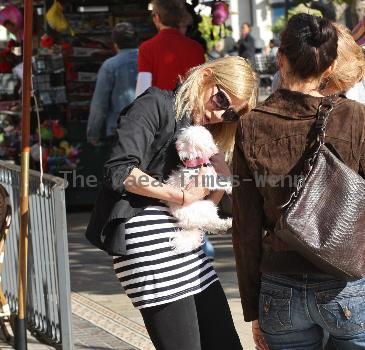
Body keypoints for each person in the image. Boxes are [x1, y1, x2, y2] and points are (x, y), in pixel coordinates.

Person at [85, 56, 258, 350]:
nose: (220, 115)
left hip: (187, 244)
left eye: (231, 115)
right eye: (220, 100)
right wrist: (179, 195)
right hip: (146, 239)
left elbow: (212, 207)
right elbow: (119, 170)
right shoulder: (155, 104)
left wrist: (221, 179)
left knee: (225, 343)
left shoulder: (202, 133)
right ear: (205, 76)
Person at [232, 13, 365, 350]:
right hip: (344, 285)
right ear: (331, 66)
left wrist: (252, 309)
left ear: (280, 57)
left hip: (279, 287)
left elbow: (245, 227)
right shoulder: (355, 118)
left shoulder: (251, 124)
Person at [135, 0, 205, 96]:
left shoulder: (146, 48)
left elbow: (142, 89)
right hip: (189, 106)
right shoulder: (196, 48)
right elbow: (201, 84)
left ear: (157, 18)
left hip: (158, 109)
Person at [87, 22, 138, 144]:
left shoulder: (110, 65)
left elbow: (99, 104)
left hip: (120, 129)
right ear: (136, 40)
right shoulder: (149, 59)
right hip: (149, 128)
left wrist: (93, 133)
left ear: (115, 44)